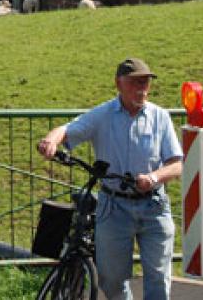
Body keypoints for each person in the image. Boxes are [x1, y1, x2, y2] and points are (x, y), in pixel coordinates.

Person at [36, 58, 183, 300]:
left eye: (145, 83)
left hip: (154, 205)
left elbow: (176, 164)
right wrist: (51, 140)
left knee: (158, 277)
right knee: (111, 279)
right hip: (114, 206)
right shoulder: (103, 115)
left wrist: (154, 177)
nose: (142, 89)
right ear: (118, 84)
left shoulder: (160, 117)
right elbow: (67, 129)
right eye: (135, 82)